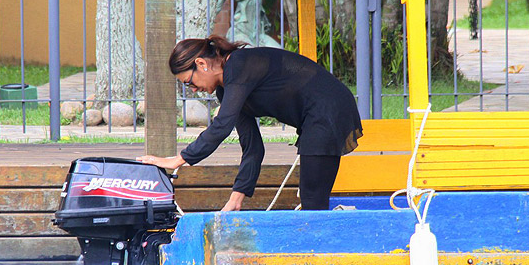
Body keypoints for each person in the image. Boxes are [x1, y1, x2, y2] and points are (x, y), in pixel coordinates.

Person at [138, 36, 362, 211]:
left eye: (189, 82)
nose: (193, 89)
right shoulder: (227, 90)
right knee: (312, 198)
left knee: (313, 198)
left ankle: (319, 260)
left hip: (329, 107)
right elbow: (253, 147)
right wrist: (237, 196)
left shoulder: (239, 65)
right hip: (315, 115)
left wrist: (179, 159)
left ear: (201, 63)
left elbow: (221, 125)